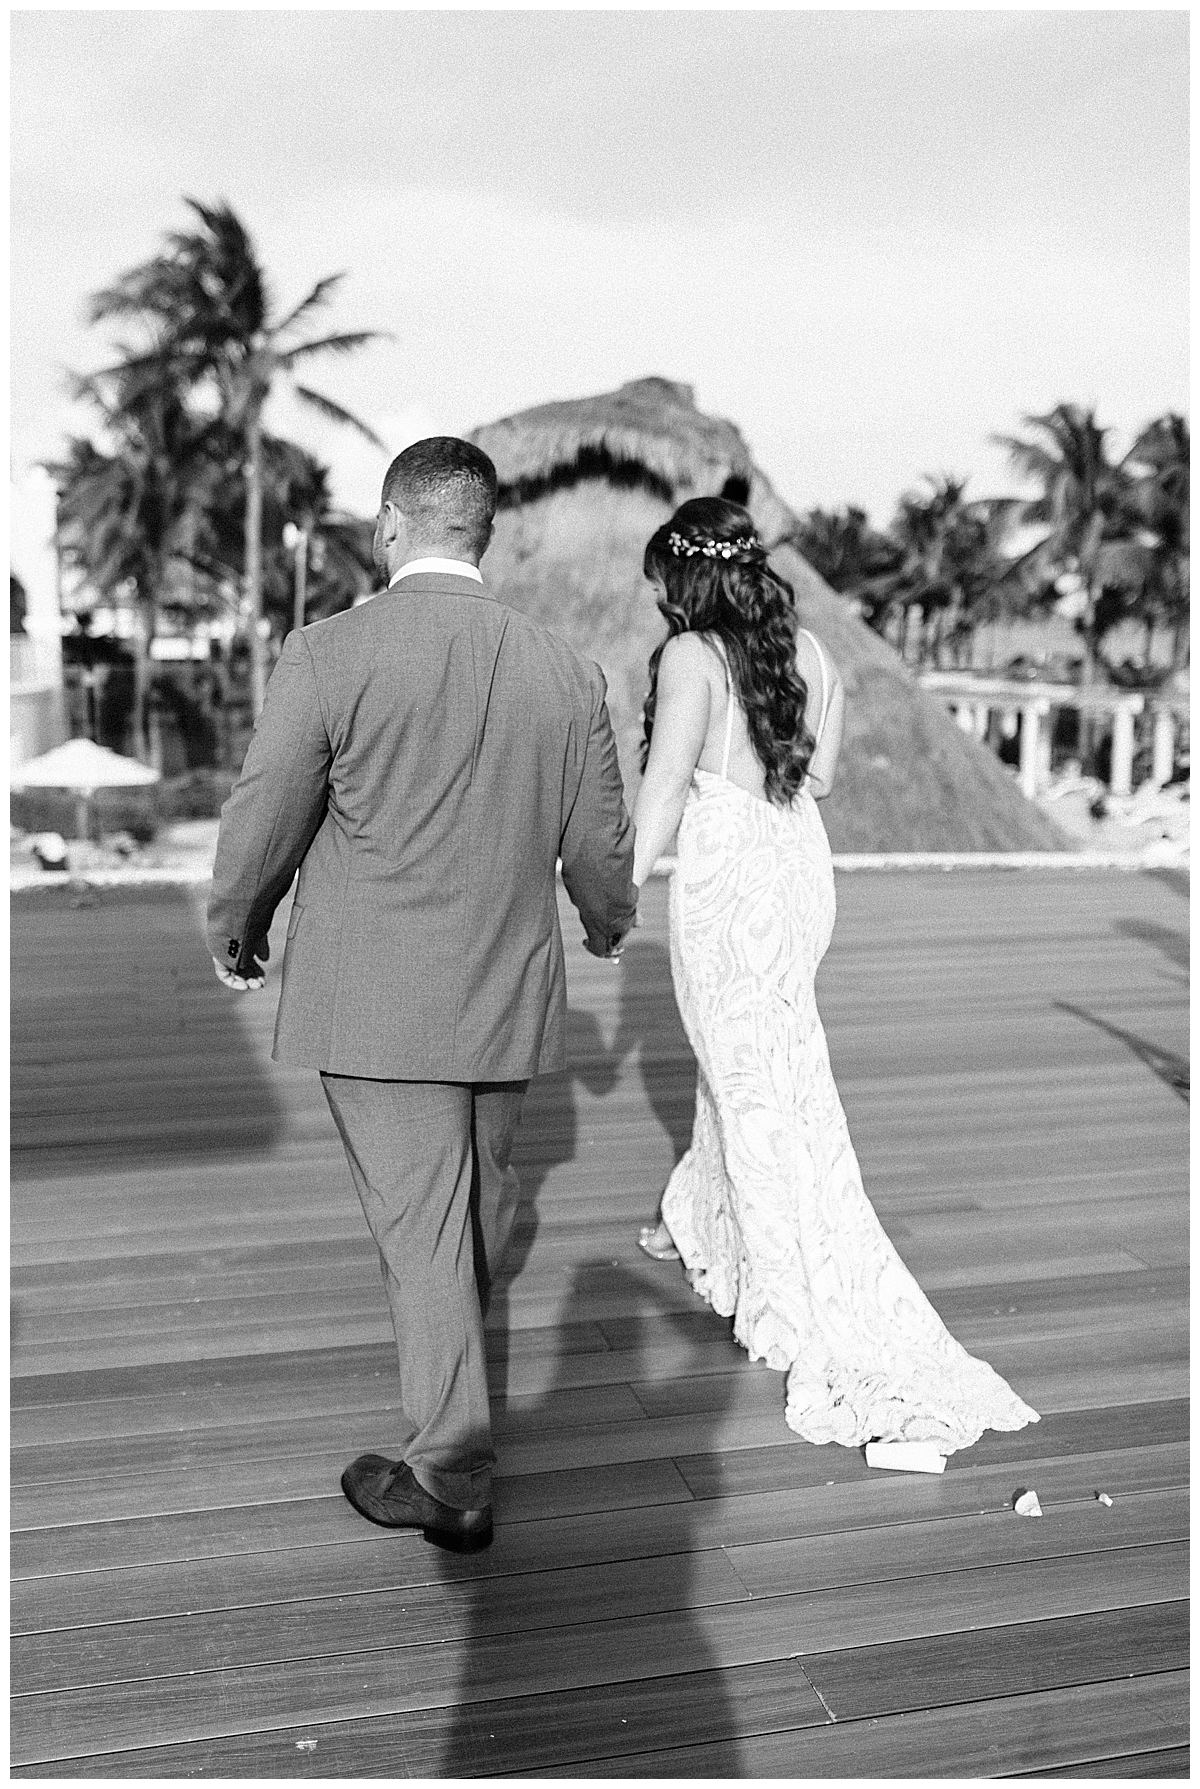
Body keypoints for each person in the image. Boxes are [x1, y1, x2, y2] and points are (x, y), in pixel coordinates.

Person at [207, 437, 637, 1550]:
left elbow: (267, 812)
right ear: (482, 533)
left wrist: (239, 924)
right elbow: (599, 843)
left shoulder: (327, 652)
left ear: (391, 522)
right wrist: (607, 919)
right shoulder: (566, 669)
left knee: (426, 1230)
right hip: (506, 992)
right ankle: (453, 1391)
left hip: (375, 1001)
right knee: (473, 1210)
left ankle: (451, 1473)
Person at [630, 496, 1038, 1454]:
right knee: (770, 1062)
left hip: (732, 880)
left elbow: (666, 785)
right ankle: (712, 1218)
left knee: (745, 1073)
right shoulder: (811, 652)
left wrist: (620, 893)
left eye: (661, 582)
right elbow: (818, 780)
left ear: (687, 575)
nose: (655, 600)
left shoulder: (691, 656)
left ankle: (786, 1289)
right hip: (798, 872)